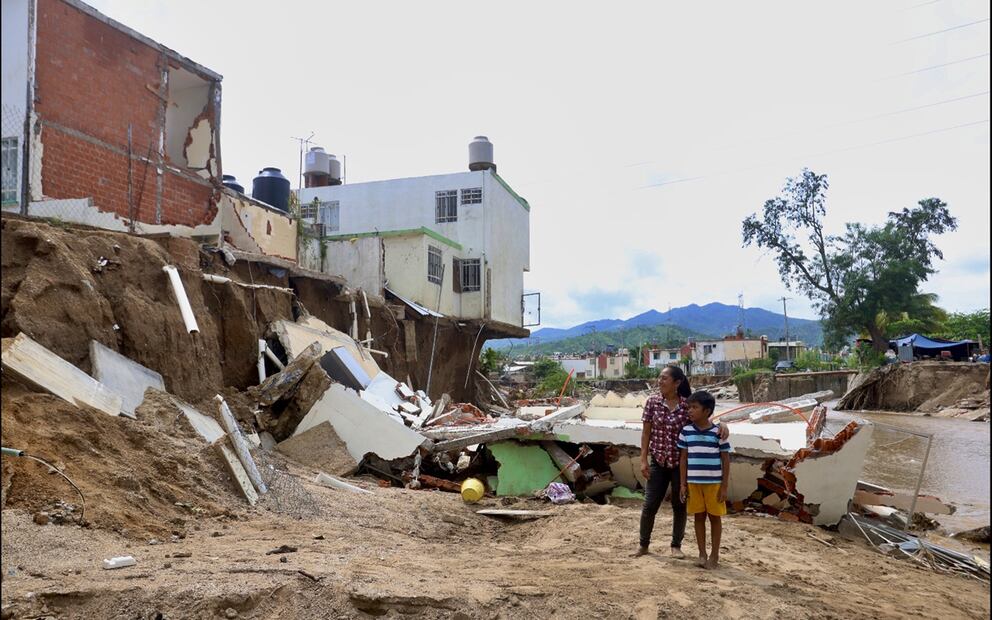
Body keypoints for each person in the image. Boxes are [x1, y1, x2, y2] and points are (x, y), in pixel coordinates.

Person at [634, 366, 728, 558]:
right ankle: (643, 545)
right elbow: (646, 433)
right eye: (659, 378)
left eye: (664, 378)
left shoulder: (687, 405)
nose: (660, 381)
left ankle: (676, 545)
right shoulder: (652, 403)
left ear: (677, 383)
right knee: (650, 504)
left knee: (679, 505)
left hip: (680, 465)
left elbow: (704, 420)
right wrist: (643, 459)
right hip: (658, 462)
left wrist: (723, 425)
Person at [678, 390, 730, 569]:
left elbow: (725, 459)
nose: (690, 411)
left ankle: (714, 555)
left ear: (707, 411)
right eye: (688, 407)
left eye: (694, 407)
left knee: (715, 518)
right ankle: (702, 554)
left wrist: (724, 487)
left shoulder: (718, 433)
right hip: (694, 483)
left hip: (714, 484)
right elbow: (683, 458)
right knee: (698, 517)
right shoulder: (686, 431)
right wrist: (682, 484)